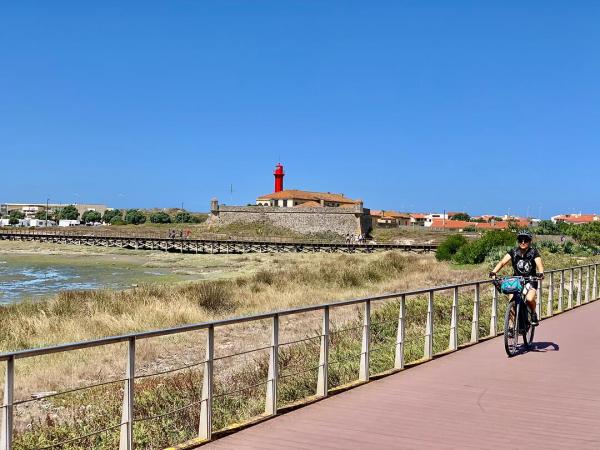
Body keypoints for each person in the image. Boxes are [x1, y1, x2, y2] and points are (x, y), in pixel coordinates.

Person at [489, 231, 544, 326]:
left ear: (529, 241)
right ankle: (511, 326)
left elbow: (539, 264)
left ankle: (533, 313)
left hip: (530, 280)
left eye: (525, 240)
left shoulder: (533, 252)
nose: (523, 242)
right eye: (520, 240)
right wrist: (494, 272)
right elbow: (502, 262)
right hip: (517, 281)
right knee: (512, 302)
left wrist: (541, 273)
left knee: (530, 299)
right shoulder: (513, 252)